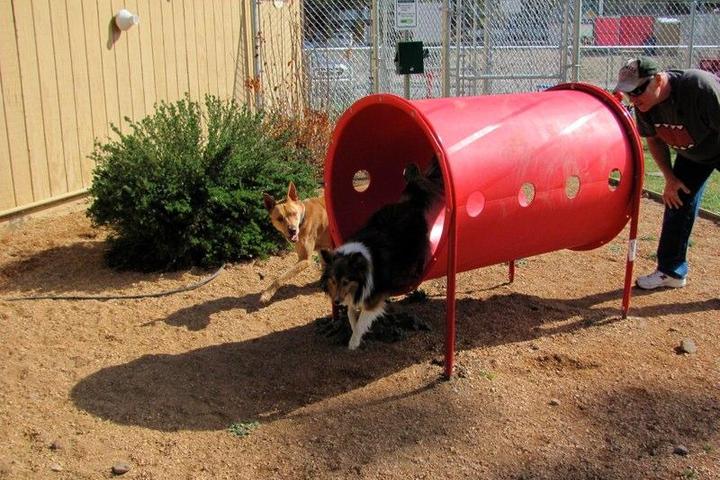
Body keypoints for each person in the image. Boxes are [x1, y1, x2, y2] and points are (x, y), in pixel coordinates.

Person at [614, 57, 720, 289]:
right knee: (677, 201)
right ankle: (671, 271)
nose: (633, 99)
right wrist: (670, 178)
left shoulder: (699, 87)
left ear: (659, 80)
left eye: (638, 90)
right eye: (629, 94)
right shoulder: (645, 106)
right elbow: (653, 140)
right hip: (694, 155)